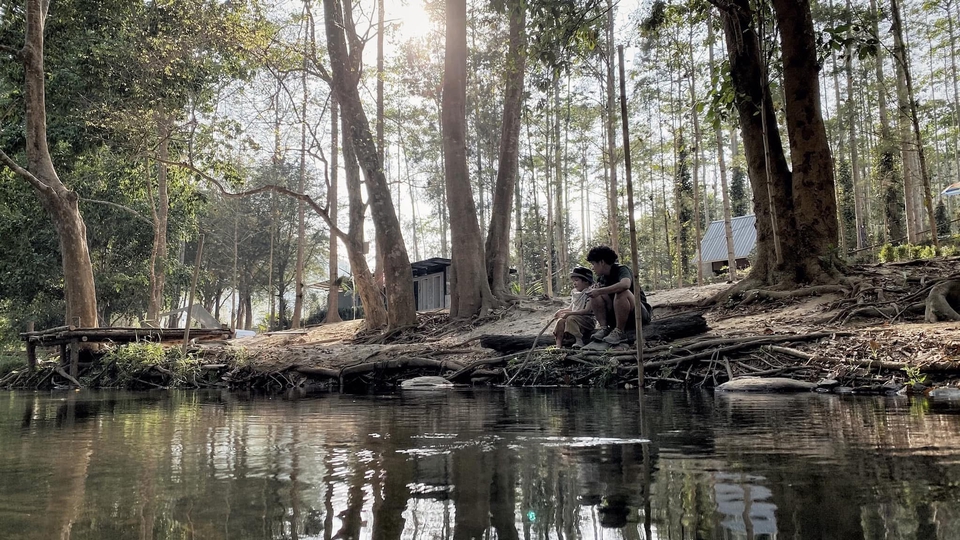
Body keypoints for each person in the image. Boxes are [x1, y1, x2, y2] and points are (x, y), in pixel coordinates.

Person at [585, 245, 652, 345]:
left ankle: (619, 331)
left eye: (593, 264)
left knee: (622, 291)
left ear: (602, 262)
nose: (592, 268)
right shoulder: (602, 278)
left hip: (637, 314)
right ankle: (604, 328)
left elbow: (625, 285)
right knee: (595, 295)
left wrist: (600, 291)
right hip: (616, 315)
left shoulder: (622, 270)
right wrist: (595, 292)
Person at [553, 266, 596, 348]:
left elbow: (586, 310)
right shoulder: (575, 294)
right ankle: (558, 343)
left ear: (586, 281)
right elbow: (571, 308)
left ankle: (579, 340)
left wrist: (569, 314)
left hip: (587, 320)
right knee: (560, 321)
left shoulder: (590, 293)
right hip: (575, 318)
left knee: (570, 318)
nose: (574, 283)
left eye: (577, 280)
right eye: (573, 281)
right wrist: (561, 311)